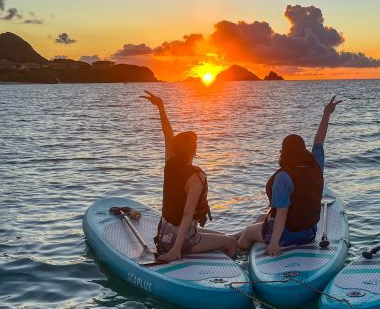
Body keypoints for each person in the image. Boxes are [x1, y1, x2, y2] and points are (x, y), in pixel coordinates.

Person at [237, 96, 342, 256]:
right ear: (303, 150)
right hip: (309, 233)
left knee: (246, 234)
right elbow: (319, 141)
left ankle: (237, 252)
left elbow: (282, 212)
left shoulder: (283, 177)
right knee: (260, 217)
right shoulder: (316, 165)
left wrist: (273, 244)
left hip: (287, 235)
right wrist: (326, 114)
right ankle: (230, 238)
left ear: (283, 153)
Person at [141, 90, 238, 263]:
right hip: (181, 241)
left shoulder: (170, 162)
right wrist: (177, 250)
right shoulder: (196, 178)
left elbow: (167, 134)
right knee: (231, 243)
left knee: (223, 236)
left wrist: (161, 108)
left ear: (175, 148)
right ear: (194, 150)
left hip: (164, 235)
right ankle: (234, 272)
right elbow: (187, 215)